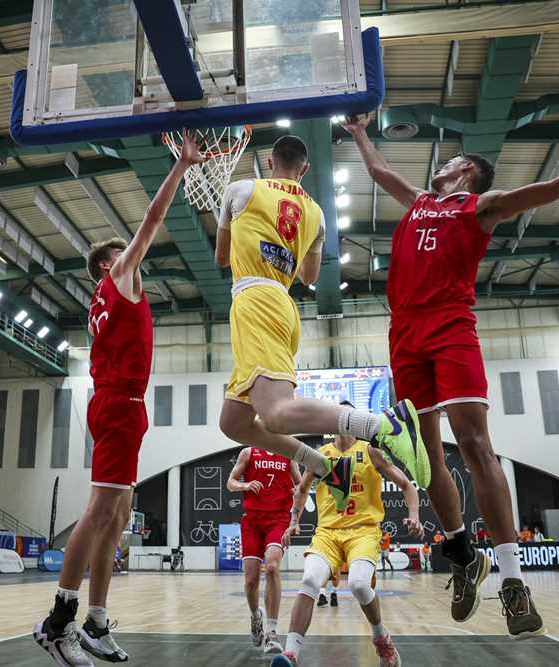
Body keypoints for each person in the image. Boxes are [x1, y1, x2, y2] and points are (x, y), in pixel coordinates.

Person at [343, 77, 559, 636]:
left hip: (450, 327)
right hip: (403, 333)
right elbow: (382, 175)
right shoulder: (421, 201)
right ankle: (463, 555)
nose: (443, 163)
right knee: (423, 457)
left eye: (452, 159)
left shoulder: (482, 205)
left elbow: (558, 186)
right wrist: (360, 133)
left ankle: (511, 581)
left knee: (476, 444)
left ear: (466, 171)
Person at [34, 131, 204, 666]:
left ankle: (97, 620)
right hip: (115, 402)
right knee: (101, 508)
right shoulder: (118, 279)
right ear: (109, 263)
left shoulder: (109, 298)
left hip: (126, 404)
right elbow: (151, 222)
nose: (134, 258)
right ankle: (58, 620)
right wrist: (180, 167)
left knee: (120, 512)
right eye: (122, 253)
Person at [214, 135, 430, 515]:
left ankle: (381, 424)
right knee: (233, 423)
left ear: (269, 160)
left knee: (277, 414)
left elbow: (220, 257)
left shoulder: (242, 189)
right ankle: (322, 465)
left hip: (255, 301)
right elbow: (310, 276)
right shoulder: (315, 212)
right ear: (305, 169)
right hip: (283, 303)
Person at [273, 428, 424, 667]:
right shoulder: (320, 455)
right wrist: (293, 523)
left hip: (362, 531)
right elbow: (301, 490)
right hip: (327, 533)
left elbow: (406, 485)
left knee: (359, 585)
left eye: (345, 417)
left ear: (353, 424)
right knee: (310, 581)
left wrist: (414, 515)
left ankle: (381, 637)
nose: (339, 422)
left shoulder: (370, 451)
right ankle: (291, 654)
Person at [226, 446, 301, 655]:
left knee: (272, 567)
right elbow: (230, 483)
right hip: (252, 521)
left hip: (278, 519)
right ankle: (255, 616)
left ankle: (273, 632)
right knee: (250, 580)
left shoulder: (287, 454)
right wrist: (246, 484)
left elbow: (300, 485)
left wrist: (298, 493)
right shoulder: (248, 453)